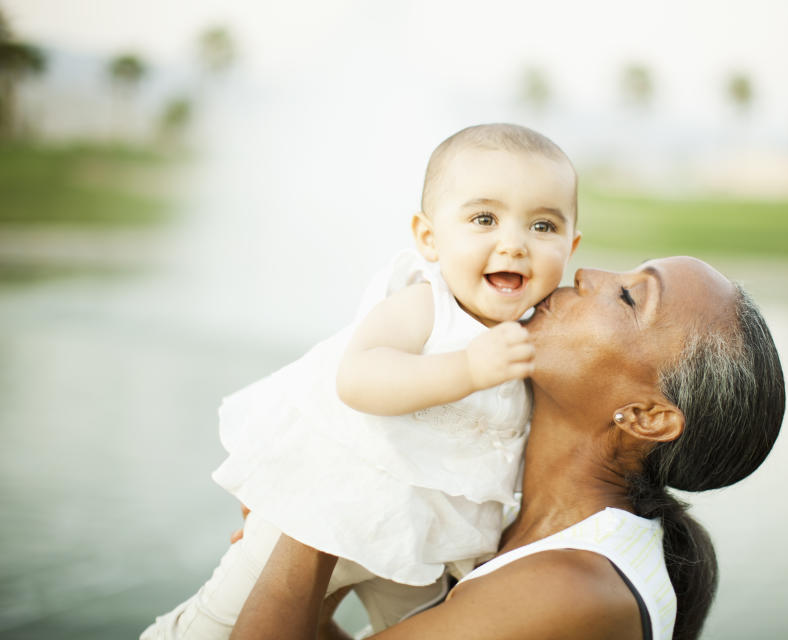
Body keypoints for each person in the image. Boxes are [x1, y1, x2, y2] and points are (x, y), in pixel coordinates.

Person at [141, 123, 582, 639]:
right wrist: (466, 370)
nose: (513, 244)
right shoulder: (425, 306)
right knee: (225, 621)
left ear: (571, 245)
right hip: (327, 502)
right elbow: (359, 378)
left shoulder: (531, 336)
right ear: (429, 238)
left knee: (433, 624)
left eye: (543, 227)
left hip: (425, 534)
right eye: (484, 219)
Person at [230, 256, 786, 640]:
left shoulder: (574, 587)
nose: (587, 273)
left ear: (646, 417)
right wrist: (303, 560)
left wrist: (308, 513)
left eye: (627, 297)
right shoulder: (504, 517)